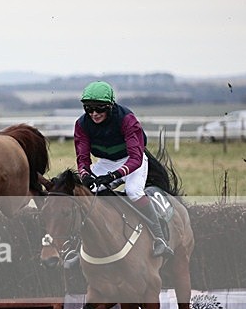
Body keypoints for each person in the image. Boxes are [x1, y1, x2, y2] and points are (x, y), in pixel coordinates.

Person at [74, 81, 173, 257]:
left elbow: (136, 157)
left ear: (110, 106)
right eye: (89, 109)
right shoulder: (81, 124)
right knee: (86, 193)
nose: (94, 114)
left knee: (133, 191)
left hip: (132, 160)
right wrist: (85, 175)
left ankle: (159, 238)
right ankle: (76, 245)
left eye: (99, 108)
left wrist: (115, 175)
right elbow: (82, 158)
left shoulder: (127, 120)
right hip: (106, 162)